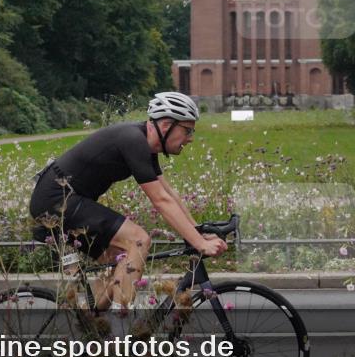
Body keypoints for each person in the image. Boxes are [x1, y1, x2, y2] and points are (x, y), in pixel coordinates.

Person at [29, 92, 227, 311]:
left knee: (118, 260)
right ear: (166, 125)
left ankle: (95, 326)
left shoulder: (146, 145)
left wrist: (197, 232)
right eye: (187, 130)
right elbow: (160, 201)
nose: (190, 138)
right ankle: (121, 329)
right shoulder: (133, 140)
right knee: (138, 240)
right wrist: (200, 244)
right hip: (56, 201)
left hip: (66, 200)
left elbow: (168, 194)